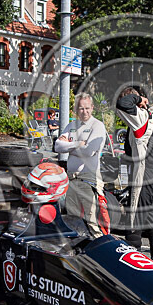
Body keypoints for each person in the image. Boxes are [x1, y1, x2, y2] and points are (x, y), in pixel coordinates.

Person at [115, 87, 153, 264]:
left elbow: (122, 104)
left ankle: (131, 263)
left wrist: (138, 99)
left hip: (144, 178)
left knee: (134, 223)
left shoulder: (142, 117)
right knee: (152, 222)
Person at [54, 93, 108, 237]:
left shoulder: (97, 126)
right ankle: (79, 247)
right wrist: (78, 144)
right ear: (76, 110)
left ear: (92, 108)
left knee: (92, 221)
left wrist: (69, 147)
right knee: (73, 221)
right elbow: (58, 146)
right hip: (72, 179)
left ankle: (99, 245)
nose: (84, 112)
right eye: (81, 108)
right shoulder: (71, 126)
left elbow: (89, 151)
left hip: (88, 180)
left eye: (87, 108)